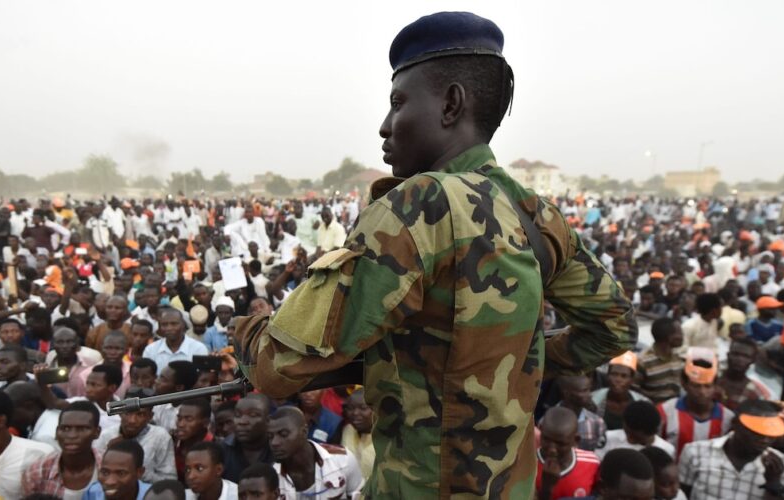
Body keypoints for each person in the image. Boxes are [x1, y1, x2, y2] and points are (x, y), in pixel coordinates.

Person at [234, 11, 635, 498]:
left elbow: (279, 366)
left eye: (398, 103)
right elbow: (613, 326)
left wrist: (245, 331)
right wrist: (499, 363)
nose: (385, 126)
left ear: (451, 104)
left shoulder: (416, 204)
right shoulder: (533, 212)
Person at [679, 399, 784, 500]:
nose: (765, 440)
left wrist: (773, 484)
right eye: (756, 432)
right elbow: (681, 495)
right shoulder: (695, 452)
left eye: (769, 434)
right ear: (735, 424)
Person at [268, 406, 362, 499]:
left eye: (283, 434)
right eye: (270, 436)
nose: (274, 442)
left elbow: (360, 495)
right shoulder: (271, 477)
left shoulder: (342, 459)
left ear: (304, 432)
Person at [658, 348, 734, 457]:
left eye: (707, 386)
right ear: (684, 383)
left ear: (716, 386)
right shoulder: (664, 412)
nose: (702, 392)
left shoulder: (727, 418)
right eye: (696, 386)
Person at [21, 401, 103, 498]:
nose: (72, 436)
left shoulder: (108, 466)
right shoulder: (37, 472)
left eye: (82, 429)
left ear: (97, 432)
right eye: (65, 428)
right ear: (56, 432)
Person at [96, 387, 177, 483]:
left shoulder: (160, 437)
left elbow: (170, 481)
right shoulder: (107, 436)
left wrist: (139, 472)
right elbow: (97, 474)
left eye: (140, 414)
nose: (132, 420)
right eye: (128, 413)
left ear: (149, 416)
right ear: (120, 413)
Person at [536, 407, 600, 500]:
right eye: (546, 439)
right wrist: (546, 488)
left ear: (576, 440)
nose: (552, 449)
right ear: (540, 430)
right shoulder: (524, 463)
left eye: (561, 444)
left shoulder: (592, 464)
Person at [221, 394, 274, 483]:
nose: (242, 422)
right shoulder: (221, 450)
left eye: (252, 415)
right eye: (238, 415)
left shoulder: (279, 448)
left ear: (268, 421)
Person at [596, 401, 675, 459]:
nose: (629, 439)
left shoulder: (666, 450)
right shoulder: (608, 438)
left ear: (650, 433)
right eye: (627, 433)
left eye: (634, 436)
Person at [591, 351, 649, 430]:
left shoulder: (643, 404)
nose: (618, 380)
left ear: (631, 380)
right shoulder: (593, 399)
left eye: (624, 376)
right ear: (607, 376)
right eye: (614, 374)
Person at [636, 318, 685, 403]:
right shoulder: (643, 361)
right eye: (680, 333)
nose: (682, 336)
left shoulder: (678, 357)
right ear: (668, 337)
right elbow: (634, 392)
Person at [142, 309, 208, 373]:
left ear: (183, 325)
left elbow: (202, 378)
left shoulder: (198, 349)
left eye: (174, 324)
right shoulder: (150, 350)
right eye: (164, 325)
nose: (169, 328)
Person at [83, 439, 151, 500]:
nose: (109, 482)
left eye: (121, 473)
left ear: (139, 472)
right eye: (105, 472)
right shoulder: (93, 493)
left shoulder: (154, 496)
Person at [717, 337, 772, 411]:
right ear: (728, 355)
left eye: (746, 356)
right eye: (736, 354)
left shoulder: (756, 393)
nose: (740, 359)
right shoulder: (711, 379)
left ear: (753, 360)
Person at [4, 381, 61, 448]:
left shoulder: (44, 436)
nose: (8, 418)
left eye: (11, 412)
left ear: (29, 406)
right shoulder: (53, 415)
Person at [557, 375, 607, 451]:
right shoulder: (550, 420)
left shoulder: (596, 423)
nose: (590, 395)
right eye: (584, 391)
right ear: (567, 393)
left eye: (589, 390)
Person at [152, 360, 198, 432]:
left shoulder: (196, 411)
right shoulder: (159, 406)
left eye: (163, 379)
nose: (156, 381)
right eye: (159, 377)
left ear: (179, 387)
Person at [339, 388, 375, 480]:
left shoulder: (390, 439)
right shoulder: (347, 430)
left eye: (363, 408)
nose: (355, 413)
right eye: (350, 408)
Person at [174, 398, 213, 480]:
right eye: (179, 418)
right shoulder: (174, 443)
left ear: (205, 423)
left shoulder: (216, 447)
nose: (181, 424)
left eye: (189, 419)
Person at [101, 330, 132, 398]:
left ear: (126, 350)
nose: (112, 353)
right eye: (108, 348)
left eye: (117, 349)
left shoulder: (132, 371)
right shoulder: (87, 373)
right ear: (102, 348)